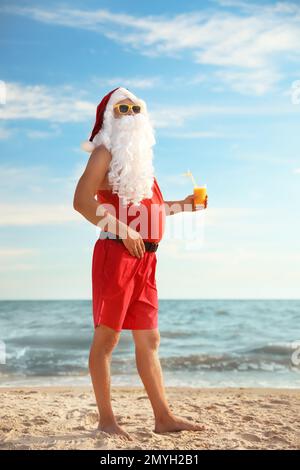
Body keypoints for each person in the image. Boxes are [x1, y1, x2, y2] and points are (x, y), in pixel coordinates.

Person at [73, 87, 208, 440]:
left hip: (147, 259)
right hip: (116, 255)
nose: (130, 114)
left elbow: (152, 212)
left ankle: (163, 417)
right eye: (122, 108)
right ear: (109, 118)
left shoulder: (141, 164)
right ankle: (106, 419)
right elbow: (81, 201)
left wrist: (183, 205)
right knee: (107, 340)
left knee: (149, 339)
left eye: (136, 108)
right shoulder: (103, 153)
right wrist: (122, 230)